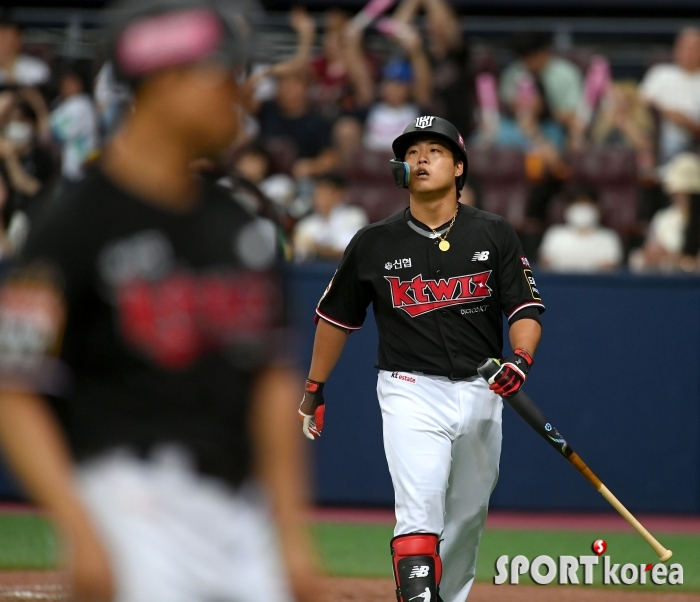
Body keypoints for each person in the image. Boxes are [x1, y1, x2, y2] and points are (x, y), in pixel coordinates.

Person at [0, 3, 317, 602]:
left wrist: (292, 536)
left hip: (238, 517)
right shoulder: (69, 225)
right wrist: (80, 527)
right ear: (167, 81)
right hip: (129, 502)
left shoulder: (241, 227)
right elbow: (15, 387)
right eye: (223, 74)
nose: (240, 93)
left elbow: (273, 384)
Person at [299, 116, 544, 602]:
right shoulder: (373, 242)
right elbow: (335, 319)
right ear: (400, 169)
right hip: (409, 389)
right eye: (411, 153)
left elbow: (525, 309)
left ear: (458, 167)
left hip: (481, 389)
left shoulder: (494, 233)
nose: (421, 159)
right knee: (420, 506)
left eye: (433, 150)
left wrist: (520, 359)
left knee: (467, 517)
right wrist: (313, 387)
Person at [499, 31, 583, 145]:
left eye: (532, 57)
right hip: (517, 126)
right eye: (524, 59)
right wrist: (519, 108)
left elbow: (573, 113)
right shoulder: (513, 73)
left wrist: (543, 110)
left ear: (543, 52)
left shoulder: (566, 73)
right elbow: (507, 103)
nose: (528, 64)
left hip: (552, 126)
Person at [363, 22, 433, 152]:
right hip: (374, 165)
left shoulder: (417, 110)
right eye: (389, 83)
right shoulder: (372, 108)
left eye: (399, 85)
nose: (393, 89)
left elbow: (423, 83)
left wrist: (416, 51)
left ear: (408, 88)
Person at [629, 152, 700, 272]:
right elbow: (640, 258)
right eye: (676, 193)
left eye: (685, 194)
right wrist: (649, 255)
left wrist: (674, 259)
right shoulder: (663, 219)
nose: (679, 197)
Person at [640, 28, 700, 165]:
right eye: (683, 47)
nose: (687, 53)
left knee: (674, 140)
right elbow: (640, 104)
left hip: (688, 141)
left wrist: (687, 122)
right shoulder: (660, 73)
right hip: (652, 134)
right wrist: (665, 112)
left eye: (694, 48)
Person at [539, 186, 623, 273]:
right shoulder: (554, 235)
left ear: (598, 208)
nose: (582, 208)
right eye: (577, 203)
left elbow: (609, 269)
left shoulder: (608, 238)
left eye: (587, 204)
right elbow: (545, 265)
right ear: (568, 207)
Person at [292, 172, 368, 262]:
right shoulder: (306, 224)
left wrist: (317, 249)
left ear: (340, 194)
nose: (321, 198)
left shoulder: (354, 216)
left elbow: (349, 250)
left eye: (326, 193)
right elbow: (298, 254)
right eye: (318, 193)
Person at [49, 63, 100, 184]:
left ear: (79, 83)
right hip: (74, 168)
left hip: (79, 169)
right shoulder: (68, 103)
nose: (64, 86)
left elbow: (59, 133)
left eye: (70, 82)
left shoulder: (80, 105)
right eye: (63, 83)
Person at [0, 14, 50, 88]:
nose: (3, 42)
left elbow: (34, 97)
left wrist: (6, 68)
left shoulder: (36, 68)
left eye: (6, 38)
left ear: (19, 40)